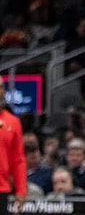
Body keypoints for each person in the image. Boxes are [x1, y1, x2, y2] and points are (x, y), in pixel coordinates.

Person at [0, 76, 26, 214]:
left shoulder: (13, 122)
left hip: (2, 189)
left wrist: (21, 190)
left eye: (1, 87)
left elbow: (18, 160)